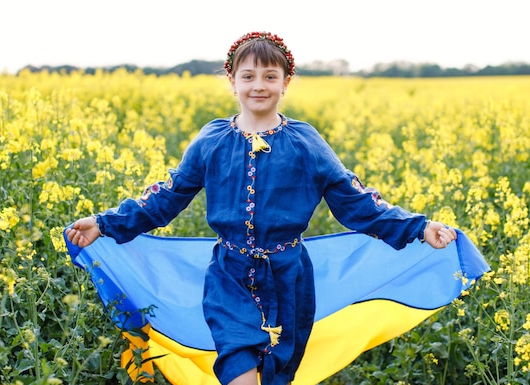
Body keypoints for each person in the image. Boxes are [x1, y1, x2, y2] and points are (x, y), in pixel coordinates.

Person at [66, 31, 457, 385]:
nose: (259, 85)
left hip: (289, 280)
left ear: (286, 83)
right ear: (232, 81)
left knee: (275, 376)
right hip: (229, 275)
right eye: (248, 76)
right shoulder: (211, 140)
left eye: (270, 76)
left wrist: (419, 228)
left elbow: (354, 199)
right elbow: (167, 196)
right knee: (238, 367)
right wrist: (104, 224)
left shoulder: (306, 142)